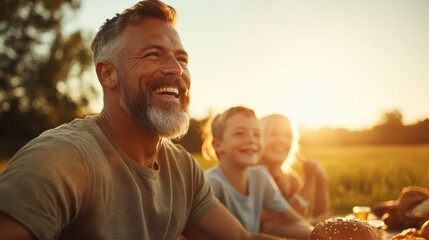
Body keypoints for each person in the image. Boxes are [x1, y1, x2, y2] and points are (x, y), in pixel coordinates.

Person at [0, 1, 282, 239]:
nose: (176, 70)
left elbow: (241, 238)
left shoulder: (183, 168)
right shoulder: (62, 158)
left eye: (182, 60)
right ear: (107, 74)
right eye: (152, 55)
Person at [202, 106, 314, 240]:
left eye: (256, 134)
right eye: (240, 133)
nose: (251, 140)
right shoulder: (211, 184)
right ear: (218, 145)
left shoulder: (260, 176)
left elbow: (294, 219)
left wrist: (315, 232)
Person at [259, 114, 330, 225]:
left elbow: (319, 217)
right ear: (258, 137)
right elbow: (284, 223)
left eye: (288, 136)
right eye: (273, 134)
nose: (282, 140)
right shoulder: (251, 177)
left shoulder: (292, 180)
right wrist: (309, 181)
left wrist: (320, 178)